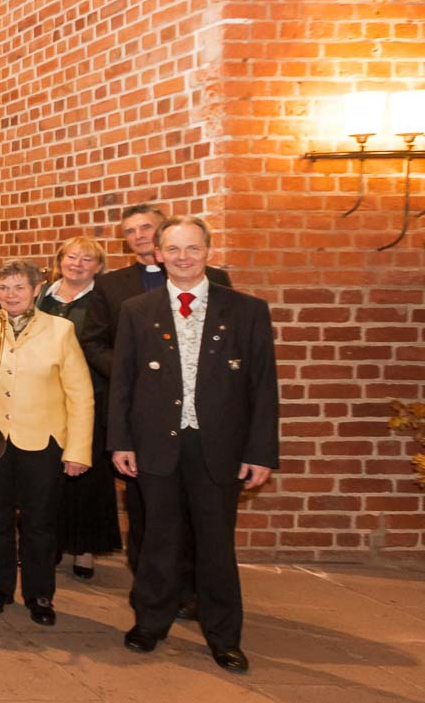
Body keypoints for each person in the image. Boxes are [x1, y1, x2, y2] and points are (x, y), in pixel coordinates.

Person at [112, 216, 276, 674]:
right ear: (158, 254)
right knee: (157, 540)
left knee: (216, 544)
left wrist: (260, 451)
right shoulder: (137, 310)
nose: (183, 257)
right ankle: (150, 623)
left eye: (193, 248)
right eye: (174, 249)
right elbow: (123, 383)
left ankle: (224, 636)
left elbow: (264, 387)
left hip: (219, 448)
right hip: (155, 446)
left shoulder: (245, 310)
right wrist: (121, 442)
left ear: (208, 251)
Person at [80, 203, 233, 581]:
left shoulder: (216, 281)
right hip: (145, 414)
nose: (139, 237)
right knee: (147, 510)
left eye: (146, 228)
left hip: (201, 416)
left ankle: (193, 587)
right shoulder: (111, 285)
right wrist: (132, 373)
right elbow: (94, 342)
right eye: (130, 232)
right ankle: (151, 587)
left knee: (201, 514)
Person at [0, 260, 94, 626]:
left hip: (43, 441)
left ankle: (40, 594)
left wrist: (78, 449)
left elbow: (80, 395)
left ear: (36, 291)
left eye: (19, 288)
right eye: (4, 288)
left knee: (40, 522)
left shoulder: (60, 331)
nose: (10, 295)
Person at [38, 237, 118, 578]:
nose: (78, 264)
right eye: (72, 257)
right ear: (60, 260)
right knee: (47, 471)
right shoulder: (44, 295)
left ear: (98, 266)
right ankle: (49, 543)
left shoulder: (105, 300)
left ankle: (85, 549)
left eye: (87, 259)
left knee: (88, 472)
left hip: (92, 393)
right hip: (47, 394)